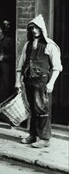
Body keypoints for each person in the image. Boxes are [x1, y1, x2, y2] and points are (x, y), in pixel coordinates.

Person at [15, 15, 62, 148]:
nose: (34, 30)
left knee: (41, 108)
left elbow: (57, 67)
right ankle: (33, 135)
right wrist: (18, 82)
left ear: (42, 29)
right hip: (28, 80)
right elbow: (20, 65)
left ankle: (44, 138)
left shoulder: (49, 45)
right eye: (32, 28)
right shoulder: (28, 45)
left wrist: (51, 82)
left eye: (37, 28)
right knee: (32, 108)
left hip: (41, 81)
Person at [0, 23, 16, 108]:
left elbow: (14, 55)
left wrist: (4, 57)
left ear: (2, 30)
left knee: (4, 88)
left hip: (6, 68)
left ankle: (4, 109)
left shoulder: (9, 40)